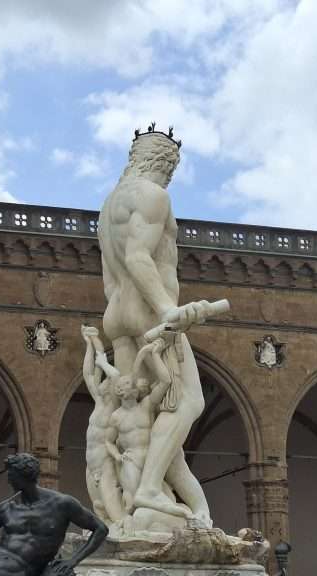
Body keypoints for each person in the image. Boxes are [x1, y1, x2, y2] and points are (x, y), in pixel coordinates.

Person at [98, 130, 211, 527]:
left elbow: (112, 273)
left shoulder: (110, 203)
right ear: (165, 163)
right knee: (188, 403)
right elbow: (137, 256)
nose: (170, 177)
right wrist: (167, 309)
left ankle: (151, 507)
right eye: (172, 169)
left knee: (152, 422)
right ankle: (147, 490)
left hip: (118, 314)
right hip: (151, 315)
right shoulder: (153, 195)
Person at [106, 338, 175, 517]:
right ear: (119, 391)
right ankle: (131, 526)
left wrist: (155, 354)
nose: (126, 387)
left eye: (128, 383)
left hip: (152, 458)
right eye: (123, 385)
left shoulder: (145, 405)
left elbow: (165, 382)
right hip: (131, 459)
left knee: (166, 497)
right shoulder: (116, 417)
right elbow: (108, 441)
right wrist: (117, 456)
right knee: (134, 499)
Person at [80, 325, 125, 525]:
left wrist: (104, 363)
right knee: (99, 508)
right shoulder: (99, 402)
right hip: (91, 464)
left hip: (106, 464)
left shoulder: (115, 406)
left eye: (105, 384)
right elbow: (88, 374)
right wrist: (91, 344)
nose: (102, 384)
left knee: (114, 512)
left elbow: (116, 376)